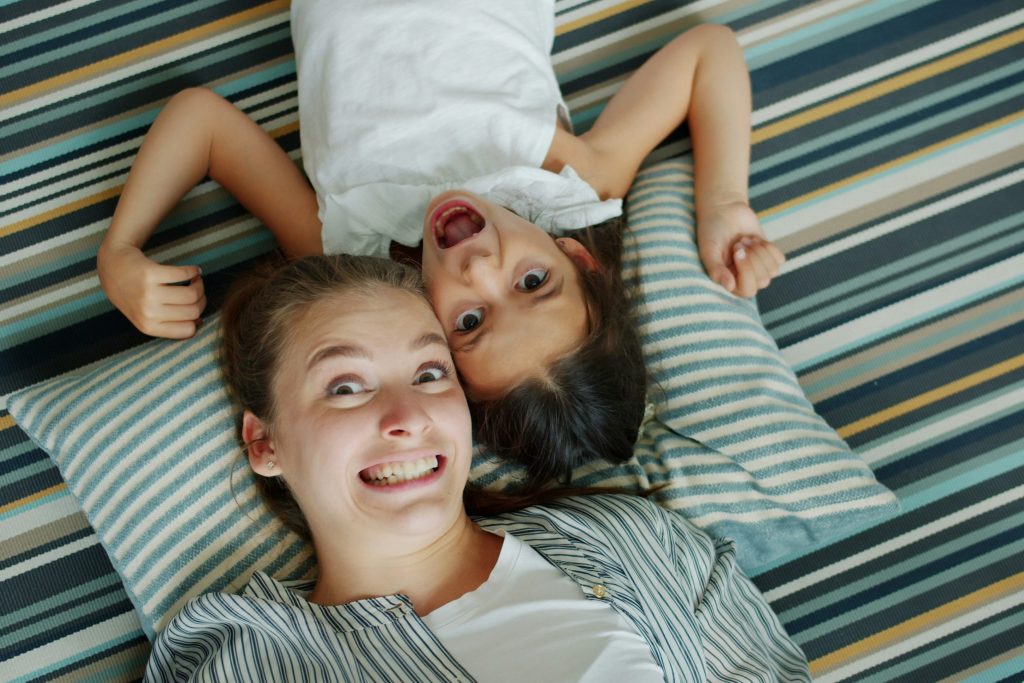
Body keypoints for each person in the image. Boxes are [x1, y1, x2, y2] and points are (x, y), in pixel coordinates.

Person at [98, 2, 784, 483]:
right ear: (573, 255)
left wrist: (122, 250)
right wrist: (723, 202)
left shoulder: (350, 250)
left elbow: (204, 122)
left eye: (470, 320)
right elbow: (709, 51)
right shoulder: (571, 182)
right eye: (533, 283)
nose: (483, 266)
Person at [143, 253, 808, 682]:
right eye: (346, 385)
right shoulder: (251, 661)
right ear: (265, 444)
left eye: (430, 372)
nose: (408, 413)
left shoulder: (633, 538)